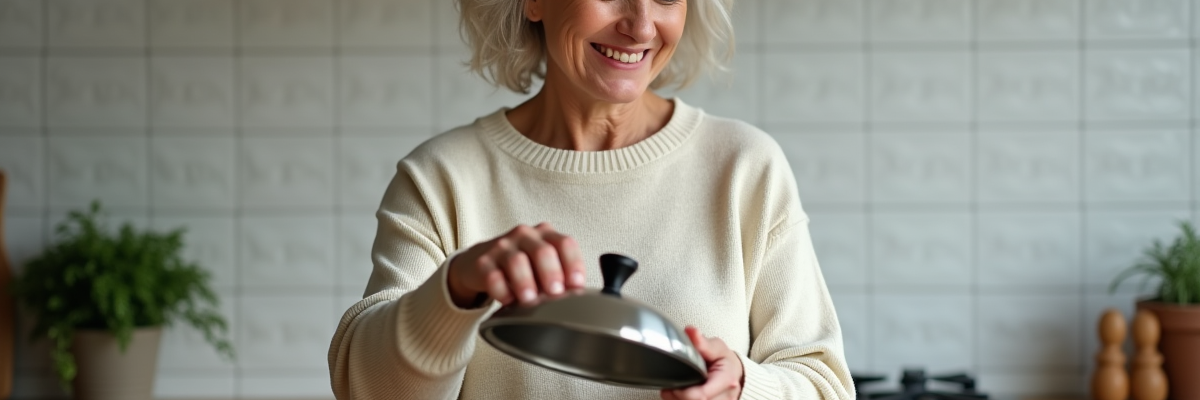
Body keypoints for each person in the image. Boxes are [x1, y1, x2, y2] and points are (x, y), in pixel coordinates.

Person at [327, 0, 855, 398]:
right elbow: (363, 386)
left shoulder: (744, 167)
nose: (642, 25)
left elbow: (824, 382)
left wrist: (745, 387)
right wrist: (457, 289)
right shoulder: (443, 178)